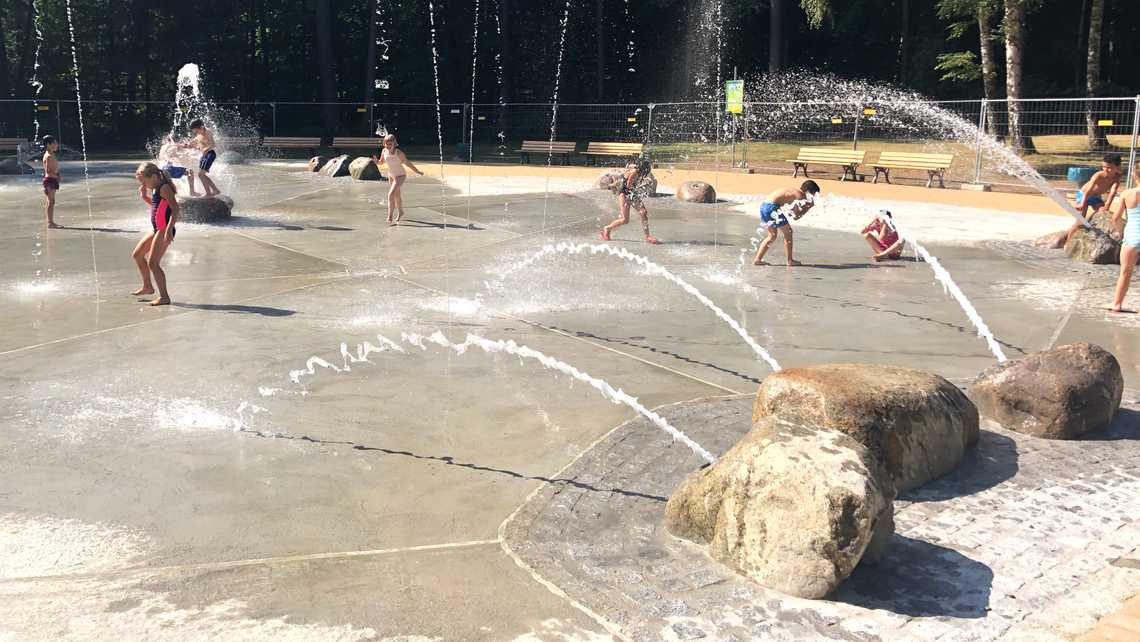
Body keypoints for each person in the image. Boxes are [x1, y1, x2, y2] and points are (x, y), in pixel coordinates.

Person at [132, 162, 180, 306]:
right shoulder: (154, 188)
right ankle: (148, 286)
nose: (143, 184)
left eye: (143, 181)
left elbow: (175, 209)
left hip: (164, 229)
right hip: (156, 228)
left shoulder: (164, 188)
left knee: (153, 263)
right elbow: (157, 207)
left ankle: (164, 297)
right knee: (138, 255)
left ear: (153, 177)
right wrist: (144, 196)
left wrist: (169, 230)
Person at [753, 180, 821, 266]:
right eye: (813, 194)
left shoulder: (794, 191)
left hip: (764, 206)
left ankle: (757, 259)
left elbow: (790, 210)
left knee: (772, 236)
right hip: (772, 207)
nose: (813, 197)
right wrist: (808, 207)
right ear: (808, 192)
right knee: (788, 232)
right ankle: (790, 260)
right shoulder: (800, 196)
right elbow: (796, 216)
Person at [600, 157, 660, 244]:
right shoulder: (634, 173)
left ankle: (648, 236)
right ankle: (607, 228)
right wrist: (642, 189)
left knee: (643, 212)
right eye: (647, 168)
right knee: (625, 220)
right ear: (643, 168)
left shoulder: (637, 170)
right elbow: (628, 188)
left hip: (632, 194)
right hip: (625, 195)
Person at [1065, 154, 1122, 244]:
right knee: (1080, 221)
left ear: (1117, 167)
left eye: (1109, 167)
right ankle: (1068, 243)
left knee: (1103, 214)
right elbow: (1087, 191)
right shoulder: (1098, 175)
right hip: (1083, 195)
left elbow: (1112, 193)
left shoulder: (1117, 177)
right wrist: (1082, 203)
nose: (1105, 170)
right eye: (1103, 167)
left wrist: (1107, 206)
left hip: (1096, 197)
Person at [1108, 163, 1140, 313]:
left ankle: (1117, 303)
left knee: (1125, 273)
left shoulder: (1127, 194)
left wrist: (1121, 232)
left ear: (1134, 176)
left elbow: (1115, 218)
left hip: (1132, 236)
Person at [372, 134, 423, 225]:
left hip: (400, 175)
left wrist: (418, 171)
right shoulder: (384, 151)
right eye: (386, 144)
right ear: (384, 144)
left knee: (390, 194)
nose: (388, 146)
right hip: (391, 175)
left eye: (390, 144)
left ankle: (389, 216)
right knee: (396, 196)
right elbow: (381, 162)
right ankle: (400, 212)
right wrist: (377, 162)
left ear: (394, 143)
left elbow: (408, 163)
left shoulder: (399, 153)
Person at [181, 119, 220, 197]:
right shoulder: (199, 135)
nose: (194, 132)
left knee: (201, 174)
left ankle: (209, 193)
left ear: (199, 127)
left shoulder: (207, 132)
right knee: (202, 175)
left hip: (210, 154)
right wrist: (185, 145)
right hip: (204, 155)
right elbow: (192, 143)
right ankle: (215, 190)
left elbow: (213, 144)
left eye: (195, 130)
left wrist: (206, 149)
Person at [41, 135, 63, 228]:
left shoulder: (52, 154)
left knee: (51, 201)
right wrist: (57, 177)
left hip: (52, 179)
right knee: (51, 201)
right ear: (49, 144)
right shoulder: (48, 156)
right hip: (49, 180)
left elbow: (54, 169)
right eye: (55, 143)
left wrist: (58, 175)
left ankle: (50, 222)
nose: (57, 145)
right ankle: (50, 223)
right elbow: (48, 171)